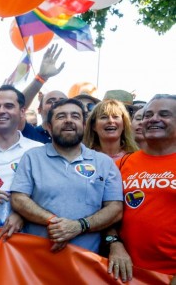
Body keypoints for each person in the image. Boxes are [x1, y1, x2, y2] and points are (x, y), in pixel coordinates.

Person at [10, 98, 123, 253]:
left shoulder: (104, 162)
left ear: (84, 126)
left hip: (87, 263)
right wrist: (55, 223)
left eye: (75, 116)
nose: (68, 121)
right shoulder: (32, 157)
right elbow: (18, 198)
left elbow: (115, 208)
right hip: (36, 262)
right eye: (61, 117)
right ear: (49, 127)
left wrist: (78, 226)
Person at [106, 94, 176, 282]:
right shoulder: (121, 164)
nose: (153, 119)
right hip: (126, 274)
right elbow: (108, 213)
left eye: (164, 114)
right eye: (148, 115)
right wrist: (115, 244)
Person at [0, 85, 42, 234]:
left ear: (22, 111)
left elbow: (46, 192)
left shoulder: (38, 150)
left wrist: (22, 214)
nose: (1, 111)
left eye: (9, 106)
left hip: (22, 235)